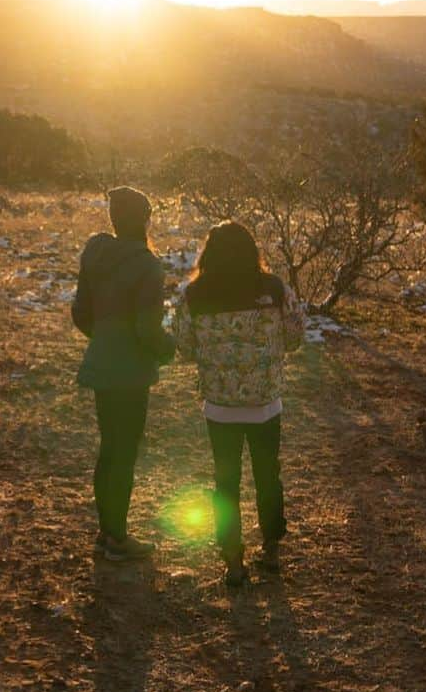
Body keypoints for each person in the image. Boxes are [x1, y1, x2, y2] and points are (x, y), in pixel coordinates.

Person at [175, 221, 303, 586]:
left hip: (219, 405)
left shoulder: (195, 295)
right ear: (252, 251)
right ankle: (272, 548)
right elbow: (295, 336)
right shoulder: (274, 289)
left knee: (226, 481)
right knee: (268, 475)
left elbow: (183, 346)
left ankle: (233, 558)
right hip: (265, 402)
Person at [72, 187, 175, 561]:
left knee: (109, 449)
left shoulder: (97, 255)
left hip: (101, 363)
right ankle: (117, 537)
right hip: (131, 371)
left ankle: (107, 532)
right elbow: (148, 330)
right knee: (125, 453)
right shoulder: (147, 264)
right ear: (144, 220)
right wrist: (168, 349)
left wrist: (105, 340)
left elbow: (80, 313)